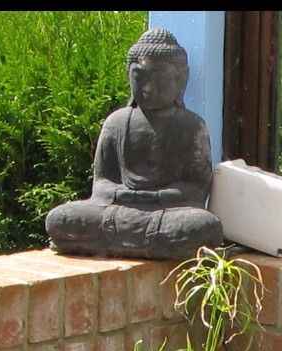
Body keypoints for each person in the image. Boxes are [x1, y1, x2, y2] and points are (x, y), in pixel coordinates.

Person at [45, 28, 223, 260]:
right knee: (59, 220)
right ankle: (151, 247)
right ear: (129, 77)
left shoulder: (192, 126)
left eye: (159, 79)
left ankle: (113, 244)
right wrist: (123, 194)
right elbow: (101, 184)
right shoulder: (116, 123)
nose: (148, 88)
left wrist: (156, 196)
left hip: (167, 212)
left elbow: (197, 188)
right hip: (117, 209)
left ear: (181, 79)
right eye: (139, 77)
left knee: (203, 226)